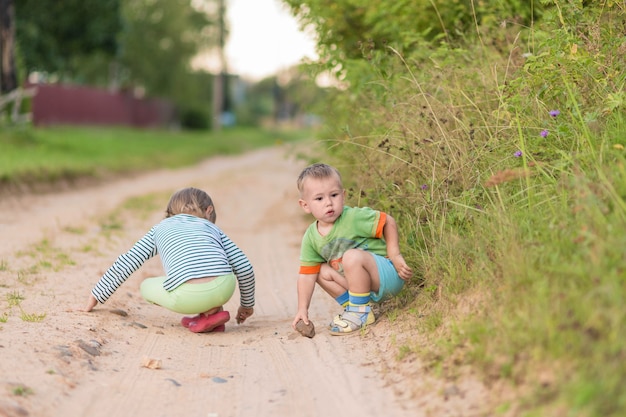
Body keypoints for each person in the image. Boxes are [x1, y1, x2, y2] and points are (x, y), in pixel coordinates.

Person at [82, 187, 255, 333]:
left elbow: (128, 260)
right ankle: (212, 312)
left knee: (146, 286)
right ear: (209, 211)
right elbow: (244, 268)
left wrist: (97, 294)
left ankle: (208, 312)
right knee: (210, 278)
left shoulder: (160, 229)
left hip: (187, 297)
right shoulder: (211, 227)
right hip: (224, 288)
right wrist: (246, 305)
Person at [291, 163, 413, 335]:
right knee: (316, 271)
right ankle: (360, 309)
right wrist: (302, 309)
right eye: (319, 199)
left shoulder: (352, 217)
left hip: (385, 277)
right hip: (360, 286)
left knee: (351, 256)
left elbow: (387, 221)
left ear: (343, 195)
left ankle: (358, 312)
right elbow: (305, 276)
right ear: (305, 205)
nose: (328, 203)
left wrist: (395, 255)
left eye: (334, 195)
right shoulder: (311, 237)